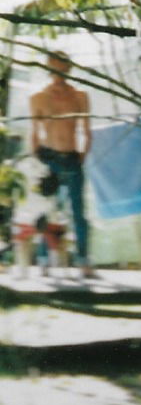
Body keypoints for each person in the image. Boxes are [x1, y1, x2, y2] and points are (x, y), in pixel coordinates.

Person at [29, 50, 93, 275]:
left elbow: (86, 131)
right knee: (50, 210)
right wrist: (40, 163)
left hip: (72, 158)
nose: (58, 72)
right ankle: (44, 260)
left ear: (68, 68)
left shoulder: (79, 96)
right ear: (48, 69)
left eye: (62, 67)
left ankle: (83, 260)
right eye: (54, 67)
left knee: (78, 212)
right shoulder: (38, 97)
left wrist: (81, 155)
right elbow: (34, 134)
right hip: (50, 160)